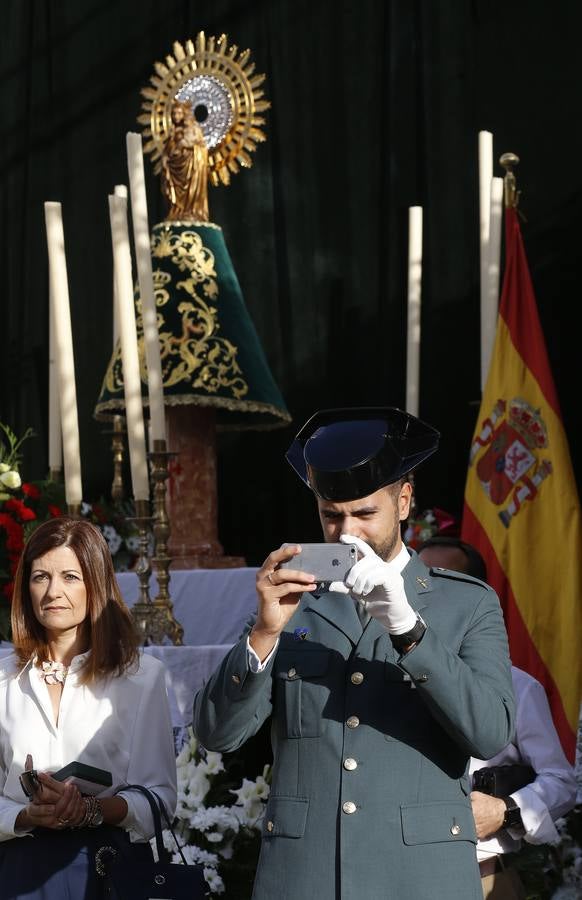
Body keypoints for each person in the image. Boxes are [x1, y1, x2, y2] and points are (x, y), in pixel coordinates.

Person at [193, 406, 516, 900]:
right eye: (331, 516)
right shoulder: (293, 601)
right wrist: (263, 633)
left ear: (404, 501)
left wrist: (407, 629)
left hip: (419, 877)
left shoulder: (466, 602)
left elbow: (489, 732)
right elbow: (218, 734)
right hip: (306, 876)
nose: (347, 533)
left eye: (365, 513)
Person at [0, 516, 177, 899]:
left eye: (70, 576)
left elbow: (159, 800)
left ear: (95, 584)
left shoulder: (142, 678)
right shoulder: (3, 679)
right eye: (40, 577)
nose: (52, 592)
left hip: (106, 869)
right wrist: (27, 815)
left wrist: (93, 809)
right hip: (17, 871)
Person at [417, 535, 577, 900]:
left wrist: (506, 809)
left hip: (480, 877)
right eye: (419, 580)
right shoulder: (382, 680)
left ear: (474, 594)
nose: (425, 593)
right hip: (390, 875)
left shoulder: (516, 686)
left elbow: (561, 781)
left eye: (442, 580)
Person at [161, 99, 209, 222]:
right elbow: (167, 151)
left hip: (191, 167)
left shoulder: (194, 129)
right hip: (175, 169)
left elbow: (201, 147)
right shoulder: (172, 133)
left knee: (191, 192)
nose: (176, 116)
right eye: (173, 114)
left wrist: (187, 147)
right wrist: (167, 158)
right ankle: (176, 211)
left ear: (184, 114)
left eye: (178, 113)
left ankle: (192, 211)